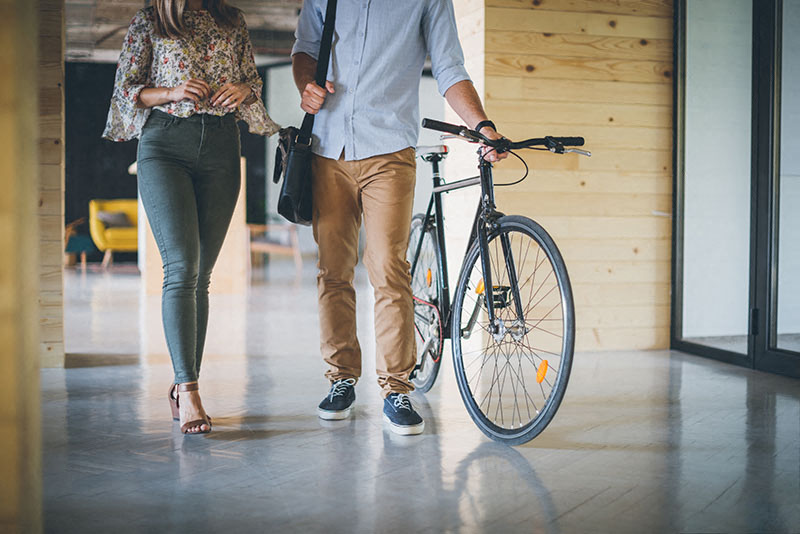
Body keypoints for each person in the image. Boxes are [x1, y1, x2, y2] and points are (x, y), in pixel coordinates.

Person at [292, 0, 507, 435]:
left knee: (388, 266)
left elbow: (449, 68)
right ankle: (341, 380)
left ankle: (396, 389)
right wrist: (306, 85)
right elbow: (304, 51)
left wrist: (483, 126)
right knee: (333, 269)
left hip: (388, 150)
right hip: (326, 147)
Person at [103, 0, 279, 434]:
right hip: (165, 144)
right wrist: (172, 92)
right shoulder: (151, 20)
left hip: (222, 146)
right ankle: (189, 389)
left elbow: (252, 82)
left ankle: (185, 382)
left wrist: (242, 90)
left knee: (201, 274)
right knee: (181, 266)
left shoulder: (231, 18)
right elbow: (127, 88)